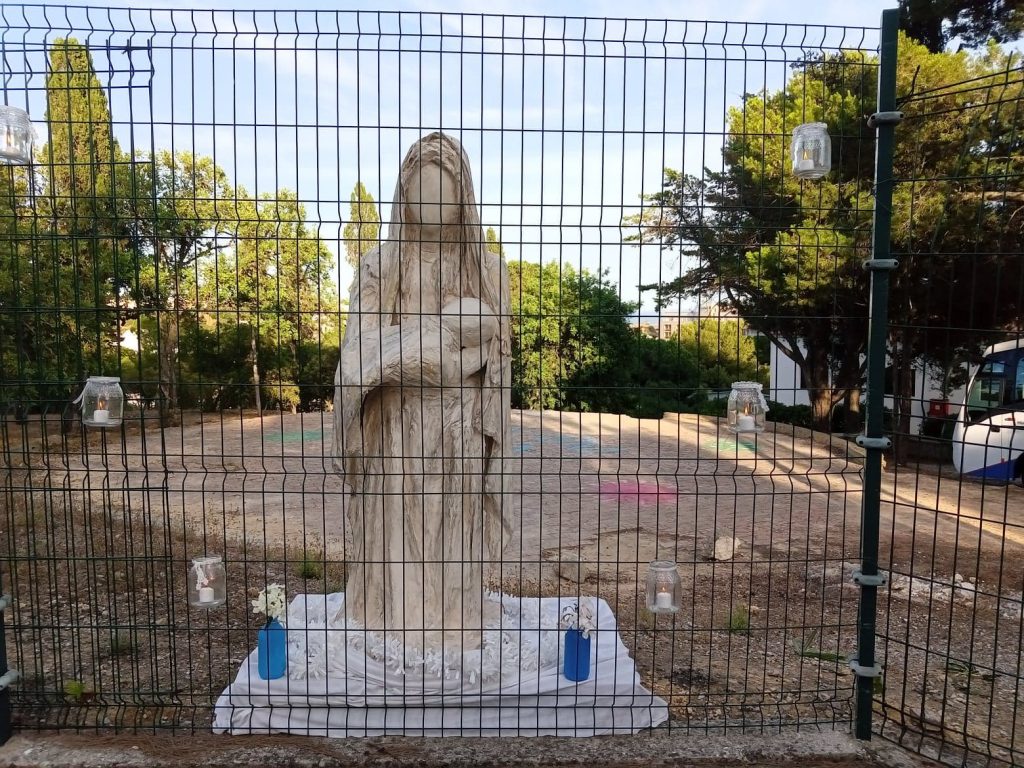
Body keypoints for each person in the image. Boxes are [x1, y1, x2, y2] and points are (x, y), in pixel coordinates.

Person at [332, 132, 512, 659]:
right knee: (400, 527)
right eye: (421, 190)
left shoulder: (488, 271)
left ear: (463, 197)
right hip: (396, 425)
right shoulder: (380, 267)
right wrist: (432, 345)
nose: (433, 203)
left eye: (444, 190)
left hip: (460, 425)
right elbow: (359, 353)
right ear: (403, 195)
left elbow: (495, 353)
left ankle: (456, 622)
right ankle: (398, 622)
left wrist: (441, 358)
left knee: (454, 528)